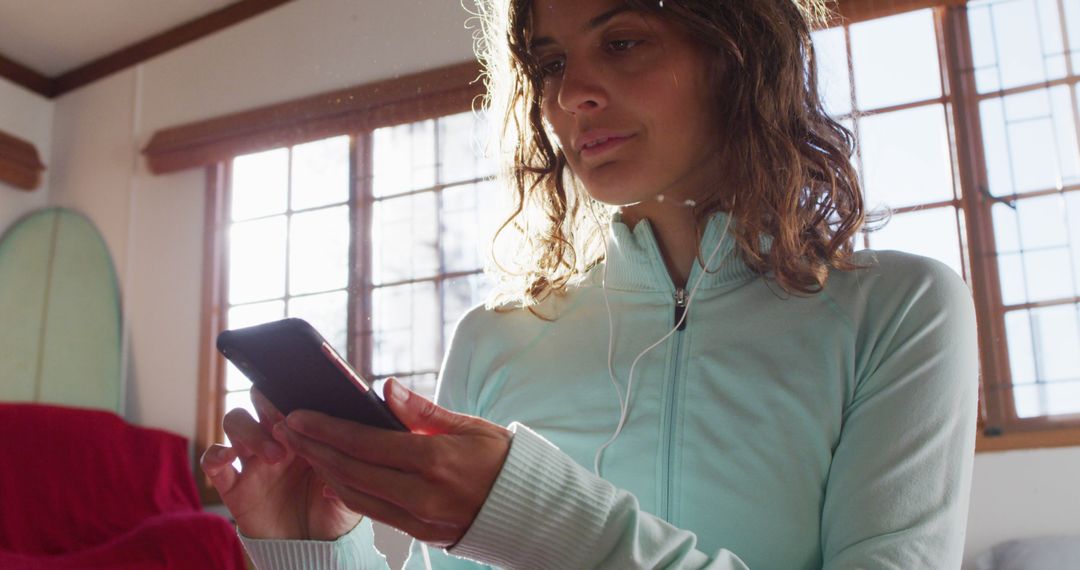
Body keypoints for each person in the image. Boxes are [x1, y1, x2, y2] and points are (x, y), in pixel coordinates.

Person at [201, 0, 980, 568]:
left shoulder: (900, 312)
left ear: (735, 49)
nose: (573, 94)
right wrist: (315, 547)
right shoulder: (496, 338)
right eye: (550, 63)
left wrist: (539, 516)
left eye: (626, 40)